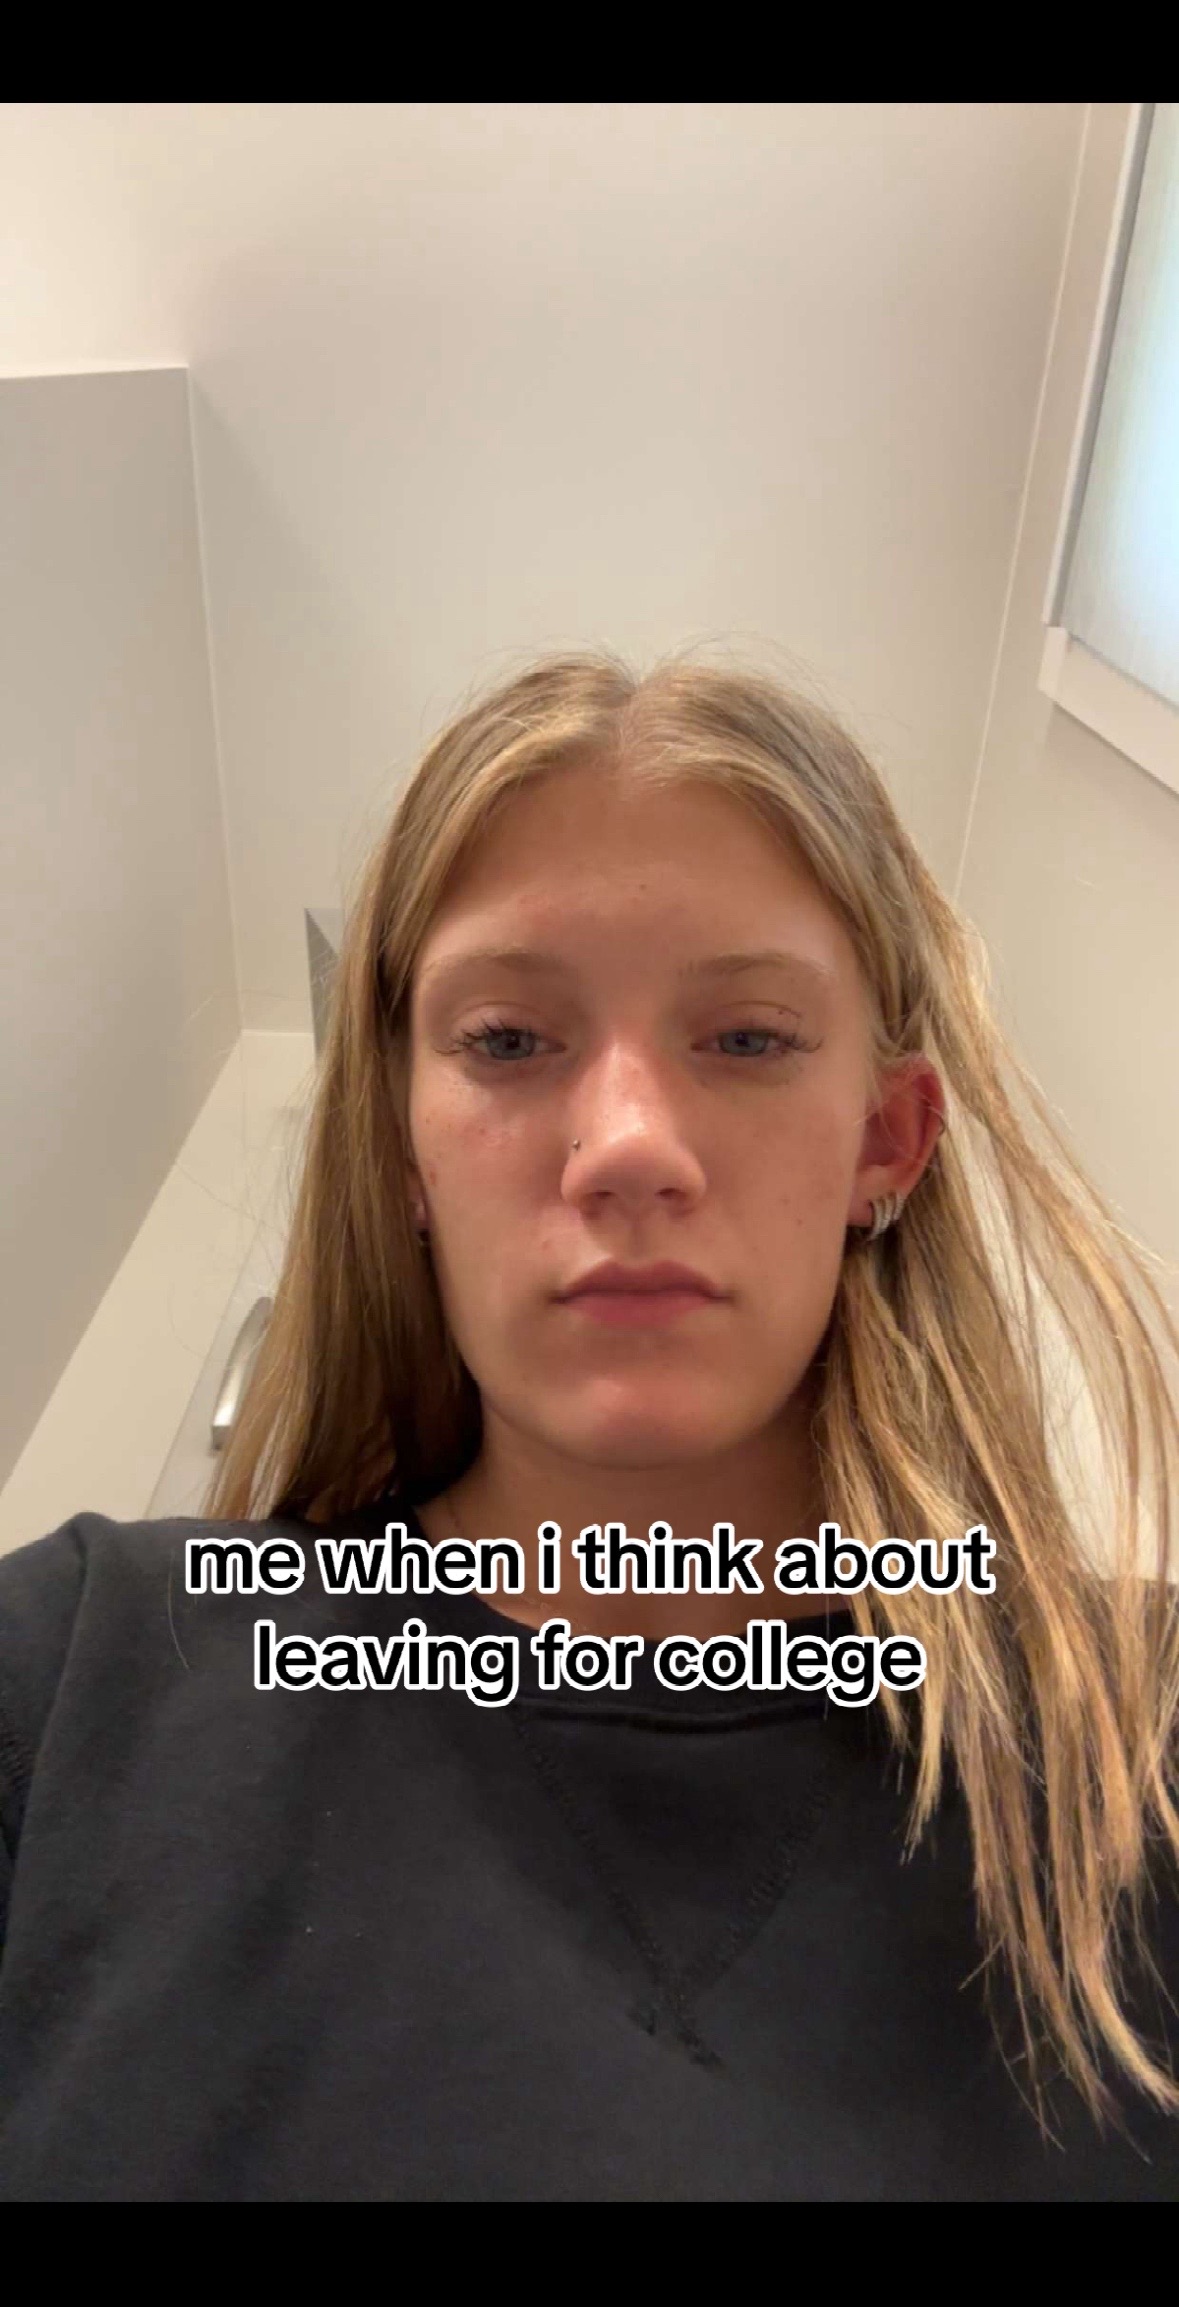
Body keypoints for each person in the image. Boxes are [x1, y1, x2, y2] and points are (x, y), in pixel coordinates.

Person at [2, 650, 1178, 2202]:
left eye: (746, 1039)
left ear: (886, 1142)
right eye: (508, 1040)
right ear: (402, 1148)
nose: (628, 1146)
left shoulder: (1142, 1731)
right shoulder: (73, 1679)